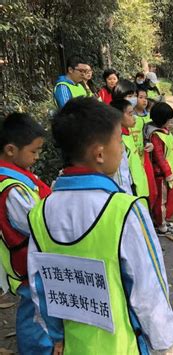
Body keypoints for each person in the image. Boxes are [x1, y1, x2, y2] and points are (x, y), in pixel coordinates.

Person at [27, 97, 173, 354]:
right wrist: (165, 342)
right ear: (99, 153)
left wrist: (56, 336)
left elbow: (40, 287)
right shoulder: (125, 210)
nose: (122, 149)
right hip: (124, 344)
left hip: (76, 345)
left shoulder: (40, 213)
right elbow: (148, 288)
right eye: (119, 141)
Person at [0, 113, 61, 354]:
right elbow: (36, 223)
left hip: (30, 261)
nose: (36, 158)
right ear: (11, 149)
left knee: (35, 310)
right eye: (33, 152)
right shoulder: (12, 188)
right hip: (29, 264)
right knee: (36, 314)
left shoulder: (17, 177)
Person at [144, 103, 173, 236]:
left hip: (165, 173)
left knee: (165, 199)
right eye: (168, 119)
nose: (170, 122)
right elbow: (159, 157)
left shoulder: (162, 131)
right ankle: (161, 226)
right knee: (162, 200)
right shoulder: (156, 135)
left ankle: (161, 220)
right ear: (162, 120)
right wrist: (168, 173)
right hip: (161, 174)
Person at [111, 80, 151, 201]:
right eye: (130, 96)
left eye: (134, 95)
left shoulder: (133, 123)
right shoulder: (114, 139)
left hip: (139, 175)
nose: (134, 99)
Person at [110, 98, 136, 195]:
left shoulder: (123, 136)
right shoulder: (113, 142)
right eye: (130, 114)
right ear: (118, 116)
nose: (134, 117)